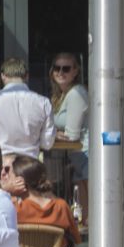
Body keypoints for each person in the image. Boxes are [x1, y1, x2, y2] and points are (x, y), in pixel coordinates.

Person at [0, 56, 55, 159]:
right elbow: (47, 143)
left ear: (3, 76)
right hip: (29, 162)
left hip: (1, 161)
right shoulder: (43, 102)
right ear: (26, 76)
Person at [50, 51, 89, 207]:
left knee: (90, 212)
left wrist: (52, 134)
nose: (60, 72)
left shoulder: (76, 94)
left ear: (75, 71)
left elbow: (72, 136)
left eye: (66, 68)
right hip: (77, 158)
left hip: (87, 156)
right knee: (85, 213)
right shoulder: (60, 96)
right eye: (57, 68)